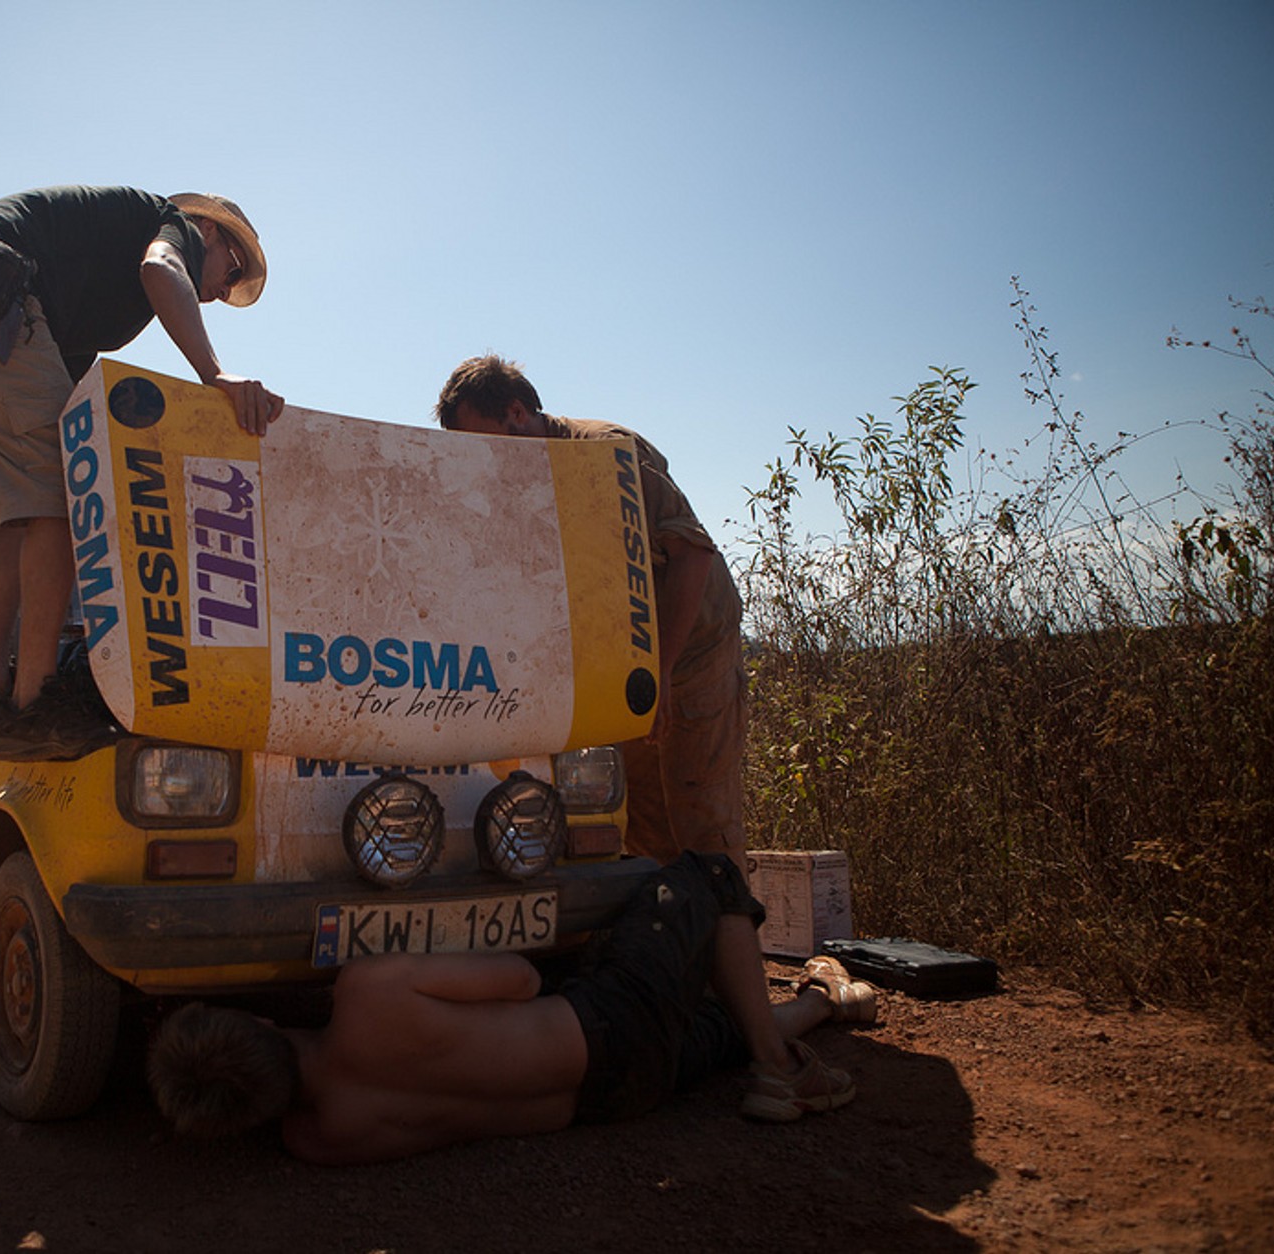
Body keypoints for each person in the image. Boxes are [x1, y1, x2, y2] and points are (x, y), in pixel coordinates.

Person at [147, 853, 878, 1164]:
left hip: (616, 1099)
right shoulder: (368, 994)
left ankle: (824, 1000)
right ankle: (779, 1070)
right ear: (261, 1021)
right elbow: (522, 981)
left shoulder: (323, 1139)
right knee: (706, 874)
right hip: (606, 1025)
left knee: (714, 1033)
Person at [0, 186, 284, 755]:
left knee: (5, 517)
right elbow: (161, 267)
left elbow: (63, 400)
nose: (224, 291)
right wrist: (212, 374)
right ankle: (33, 706)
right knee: (63, 497)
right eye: (233, 269)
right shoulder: (171, 226)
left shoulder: (95, 287)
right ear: (209, 231)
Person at [434, 355, 747, 868]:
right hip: (624, 666)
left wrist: (662, 672)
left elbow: (692, 554)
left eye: (483, 441)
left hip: (692, 655)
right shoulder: (523, 478)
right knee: (641, 820)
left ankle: (727, 918)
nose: (482, 459)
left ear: (516, 413)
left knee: (701, 816)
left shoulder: (606, 450)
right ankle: (669, 919)